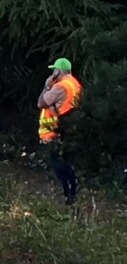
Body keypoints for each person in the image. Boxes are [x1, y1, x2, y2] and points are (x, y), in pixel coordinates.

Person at [37, 57, 83, 205]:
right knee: (66, 163)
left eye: (54, 71)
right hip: (69, 130)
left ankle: (69, 195)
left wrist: (47, 86)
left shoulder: (59, 87)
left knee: (59, 166)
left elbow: (41, 103)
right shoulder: (75, 85)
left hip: (54, 132)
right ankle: (71, 192)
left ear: (58, 71)